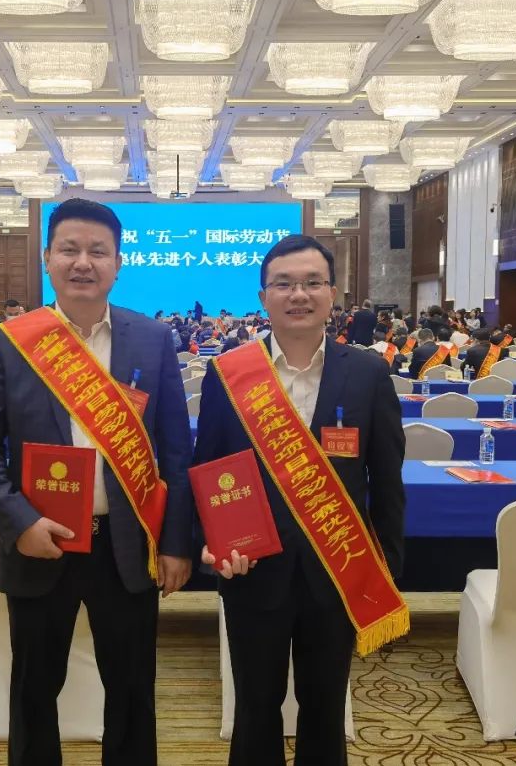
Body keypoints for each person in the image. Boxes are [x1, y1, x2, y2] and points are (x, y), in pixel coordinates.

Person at [0, 198, 194, 766]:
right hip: (41, 541)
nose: (83, 262)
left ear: (118, 263)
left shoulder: (152, 339)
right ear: (48, 258)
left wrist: (175, 543)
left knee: (132, 690)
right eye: (69, 249)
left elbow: (174, 452)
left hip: (127, 545)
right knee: (34, 690)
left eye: (98, 251)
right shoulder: (13, 340)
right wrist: (19, 522)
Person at [193, 234, 407, 766]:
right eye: (284, 284)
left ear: (333, 293)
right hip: (252, 570)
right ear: (263, 297)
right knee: (254, 708)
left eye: (313, 282)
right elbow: (209, 468)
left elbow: (387, 480)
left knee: (325, 709)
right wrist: (212, 543)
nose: (299, 295)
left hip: (338, 569)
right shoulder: (229, 374)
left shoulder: (367, 373)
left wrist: (385, 565)